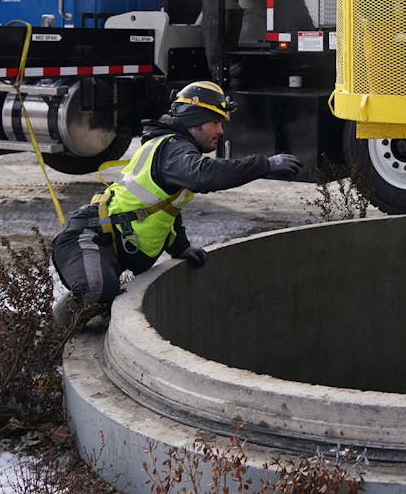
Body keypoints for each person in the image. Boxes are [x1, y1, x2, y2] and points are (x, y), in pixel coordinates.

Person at [50, 81, 301, 326]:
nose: (221, 131)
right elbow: (204, 176)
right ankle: (42, 344)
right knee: (98, 292)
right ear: (194, 120)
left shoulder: (176, 150)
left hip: (106, 241)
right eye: (215, 122)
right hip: (88, 237)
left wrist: (180, 247)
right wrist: (264, 164)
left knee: (102, 298)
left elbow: (167, 208)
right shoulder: (172, 148)